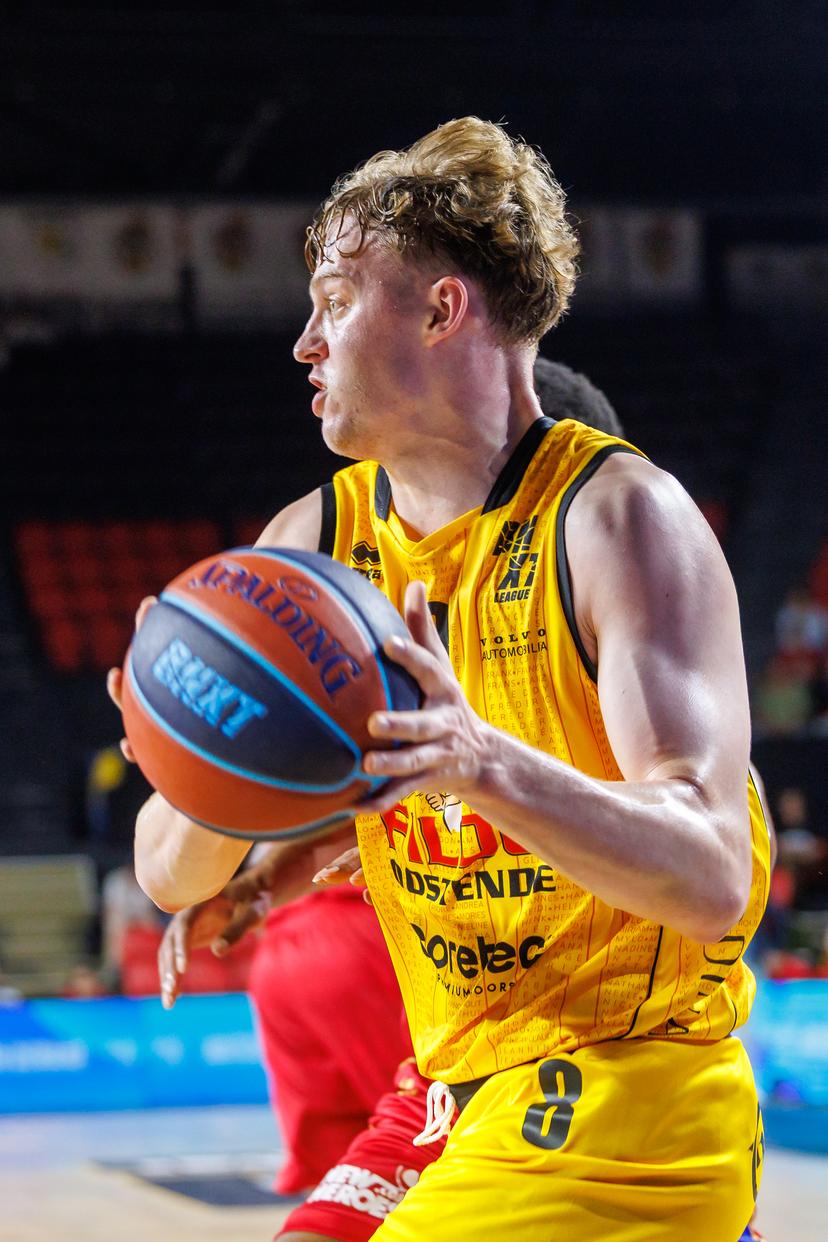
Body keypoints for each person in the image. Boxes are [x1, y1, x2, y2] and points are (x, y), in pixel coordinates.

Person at [120, 117, 771, 1240]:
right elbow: (166, 876)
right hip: (445, 1090)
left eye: (333, 298)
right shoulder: (313, 541)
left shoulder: (619, 519)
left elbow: (712, 869)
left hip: (626, 1092)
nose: (303, 343)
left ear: (440, 309)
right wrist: (198, 768)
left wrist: (477, 761)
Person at [155, 357, 632, 1241]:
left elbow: (704, 857)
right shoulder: (378, 624)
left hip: (588, 1068)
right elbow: (348, 806)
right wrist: (240, 857)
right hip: (440, 1068)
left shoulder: (597, 642)